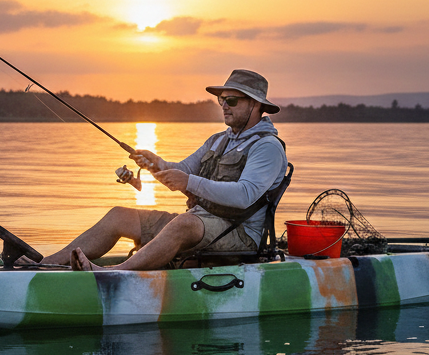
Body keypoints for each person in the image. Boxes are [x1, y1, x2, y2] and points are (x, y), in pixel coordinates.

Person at [33, 69, 287, 271]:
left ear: (255, 105)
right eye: (222, 99)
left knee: (184, 223)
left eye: (231, 100)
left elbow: (243, 196)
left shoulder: (268, 147)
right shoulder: (218, 139)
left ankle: (116, 272)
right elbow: (183, 170)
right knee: (119, 215)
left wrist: (188, 182)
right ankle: (45, 264)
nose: (223, 105)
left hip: (240, 235)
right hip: (200, 222)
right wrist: (157, 164)